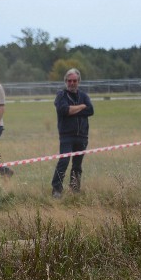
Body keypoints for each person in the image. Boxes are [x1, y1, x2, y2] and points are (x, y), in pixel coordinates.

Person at [51, 68, 94, 198]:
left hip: (82, 136)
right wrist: (81, 107)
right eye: (69, 81)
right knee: (63, 162)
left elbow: (91, 110)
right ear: (65, 82)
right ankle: (56, 189)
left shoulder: (84, 96)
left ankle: (75, 189)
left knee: (77, 165)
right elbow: (64, 110)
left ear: (78, 81)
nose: (72, 83)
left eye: (74, 81)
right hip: (66, 136)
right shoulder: (61, 96)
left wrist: (74, 109)